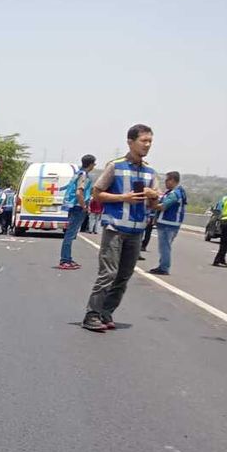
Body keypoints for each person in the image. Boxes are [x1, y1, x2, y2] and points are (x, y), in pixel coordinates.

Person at [82, 124, 160, 333]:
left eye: (150, 141)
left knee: (124, 276)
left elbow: (155, 205)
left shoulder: (150, 172)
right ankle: (91, 314)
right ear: (130, 142)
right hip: (115, 228)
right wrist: (122, 198)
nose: (147, 145)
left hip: (137, 232)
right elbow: (97, 193)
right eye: (144, 141)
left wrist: (154, 197)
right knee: (108, 272)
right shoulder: (115, 167)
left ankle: (106, 312)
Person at [58, 154, 96, 269]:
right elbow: (79, 193)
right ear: (90, 164)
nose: (94, 165)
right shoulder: (83, 175)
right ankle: (65, 260)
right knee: (70, 234)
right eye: (94, 163)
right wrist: (84, 206)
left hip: (73, 206)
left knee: (71, 234)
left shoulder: (78, 173)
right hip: (77, 207)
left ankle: (67, 258)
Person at [147, 171, 186, 275]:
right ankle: (162, 266)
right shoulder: (171, 192)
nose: (165, 182)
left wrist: (153, 205)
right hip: (168, 224)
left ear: (173, 180)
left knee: (165, 247)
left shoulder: (175, 194)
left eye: (167, 180)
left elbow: (164, 206)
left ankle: (164, 268)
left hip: (168, 224)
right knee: (165, 247)